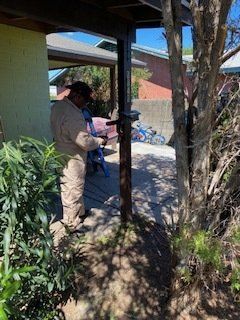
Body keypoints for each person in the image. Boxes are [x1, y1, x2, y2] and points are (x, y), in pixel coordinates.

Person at [51, 81, 108, 231]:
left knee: (72, 187)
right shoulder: (72, 113)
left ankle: (80, 213)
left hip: (60, 150)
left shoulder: (58, 106)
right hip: (72, 156)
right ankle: (71, 225)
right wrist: (100, 140)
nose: (86, 104)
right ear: (77, 96)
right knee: (72, 189)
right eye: (85, 100)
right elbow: (84, 142)